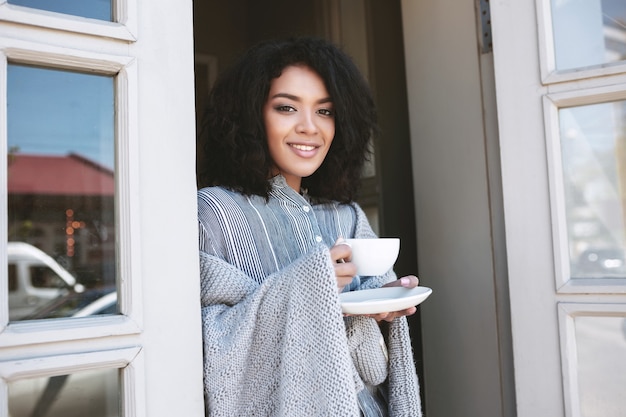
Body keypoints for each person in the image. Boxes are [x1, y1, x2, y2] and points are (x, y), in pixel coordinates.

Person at [197, 37, 423, 417]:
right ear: (252, 116)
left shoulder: (347, 216)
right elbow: (206, 345)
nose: (309, 127)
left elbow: (373, 366)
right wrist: (310, 285)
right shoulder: (214, 212)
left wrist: (382, 307)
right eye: (286, 107)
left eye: (325, 111)